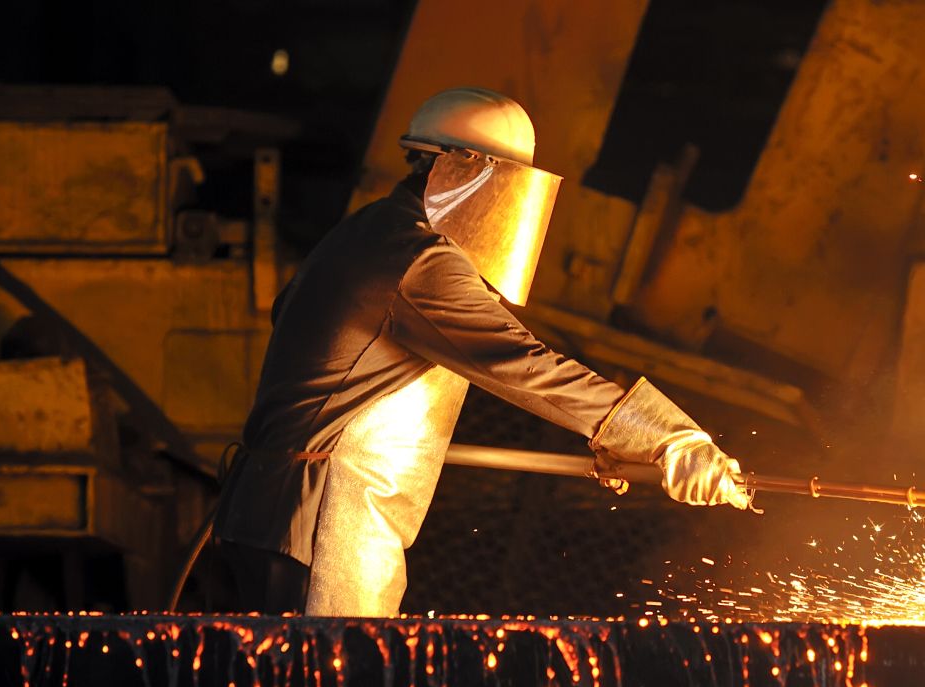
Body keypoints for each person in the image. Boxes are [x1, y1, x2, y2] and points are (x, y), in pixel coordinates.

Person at [211, 87, 750, 617]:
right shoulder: (418, 261)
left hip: (275, 510)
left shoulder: (371, 229)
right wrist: (666, 440)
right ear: (461, 168)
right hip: (321, 518)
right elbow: (522, 365)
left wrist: (616, 438)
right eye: (505, 182)